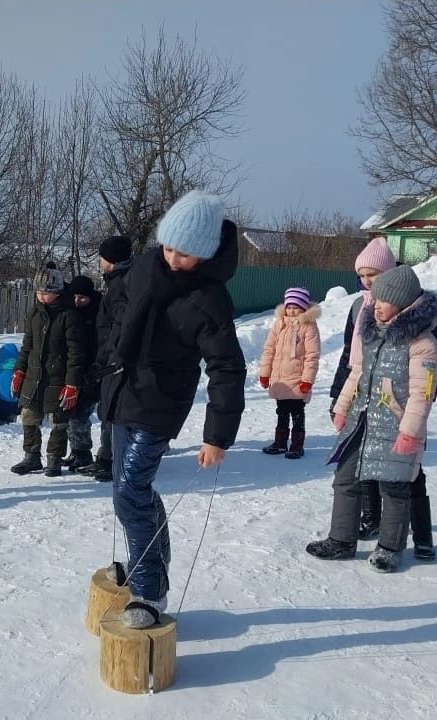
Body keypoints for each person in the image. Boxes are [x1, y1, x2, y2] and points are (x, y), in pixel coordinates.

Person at [98, 190, 246, 628]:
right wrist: (104, 363)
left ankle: (149, 591)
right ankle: (145, 559)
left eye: (185, 253)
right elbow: (115, 315)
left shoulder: (207, 299)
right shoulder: (144, 268)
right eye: (169, 247)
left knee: (130, 492)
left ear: (203, 253)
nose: (174, 258)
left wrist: (217, 435)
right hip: (123, 392)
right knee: (127, 490)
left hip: (160, 404)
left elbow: (227, 368)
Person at [313, 263, 437, 573]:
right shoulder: (371, 332)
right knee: (345, 478)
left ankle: (390, 547)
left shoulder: (423, 343)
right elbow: (356, 373)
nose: (376, 306)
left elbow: (422, 393)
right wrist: (342, 407)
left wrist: (409, 431)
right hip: (362, 420)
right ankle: (342, 540)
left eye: (384, 300)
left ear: (404, 302)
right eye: (375, 299)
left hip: (397, 426)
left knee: (394, 486)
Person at [10, 262, 88, 477]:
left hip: (58, 377)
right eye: (38, 293)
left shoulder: (69, 315)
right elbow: (27, 345)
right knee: (29, 416)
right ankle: (31, 456)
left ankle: (54, 458)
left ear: (57, 292)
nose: (41, 297)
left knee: (58, 421)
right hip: (34, 376)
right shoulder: (35, 313)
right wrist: (19, 370)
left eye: (46, 293)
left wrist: (72, 383)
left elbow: (76, 353)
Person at [78, 235, 133, 482]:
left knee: (110, 411)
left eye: (101, 257)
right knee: (108, 410)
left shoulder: (121, 285)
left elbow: (119, 326)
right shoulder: (120, 282)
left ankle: (109, 459)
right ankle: (107, 457)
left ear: (110, 259)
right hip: (112, 357)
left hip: (115, 360)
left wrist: (108, 359)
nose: (99, 261)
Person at [259, 287, 321, 459]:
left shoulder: (308, 327)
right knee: (282, 411)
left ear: (304, 307)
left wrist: (307, 380)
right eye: (289, 306)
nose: (292, 310)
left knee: (297, 413)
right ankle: (280, 443)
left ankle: (296, 445)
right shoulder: (280, 324)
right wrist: (265, 373)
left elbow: (312, 355)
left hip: (298, 379)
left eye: (296, 307)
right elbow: (269, 349)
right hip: (281, 380)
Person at [65, 275, 102, 473]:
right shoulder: (71, 312)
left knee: (99, 415)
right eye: (75, 297)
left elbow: (102, 345)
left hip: (97, 371)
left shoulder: (99, 312)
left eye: (82, 298)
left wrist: (96, 369)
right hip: (77, 370)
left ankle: (104, 454)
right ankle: (79, 452)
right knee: (75, 413)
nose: (78, 302)